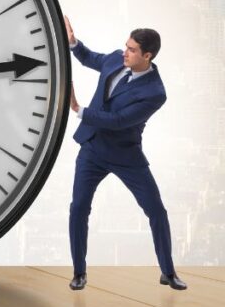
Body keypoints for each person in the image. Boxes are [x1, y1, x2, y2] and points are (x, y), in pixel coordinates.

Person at [64, 16, 186, 291]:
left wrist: (78, 109)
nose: (125, 52)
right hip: (93, 148)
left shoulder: (155, 92)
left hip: (125, 155)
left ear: (148, 55)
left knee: (156, 210)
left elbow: (119, 120)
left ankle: (168, 272)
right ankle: (79, 273)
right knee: (79, 208)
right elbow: (90, 58)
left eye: (132, 50)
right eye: (126, 46)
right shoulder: (118, 59)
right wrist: (74, 43)